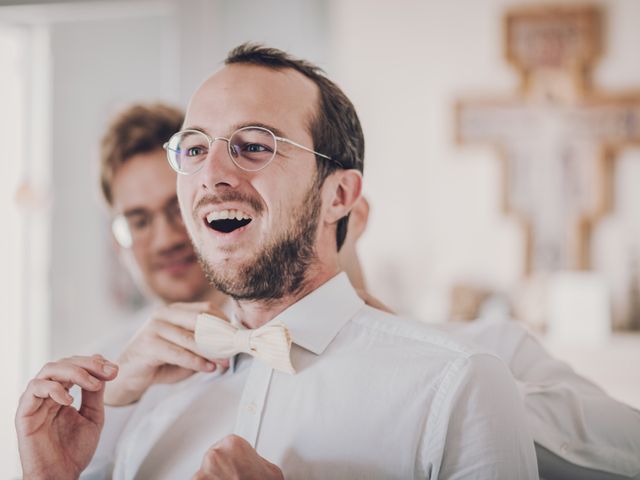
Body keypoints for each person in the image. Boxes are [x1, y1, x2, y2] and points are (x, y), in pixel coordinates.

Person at [15, 44, 539, 479]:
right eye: (195, 150)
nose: (212, 175)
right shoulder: (138, 399)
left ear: (339, 195)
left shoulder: (457, 384)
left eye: (253, 145)